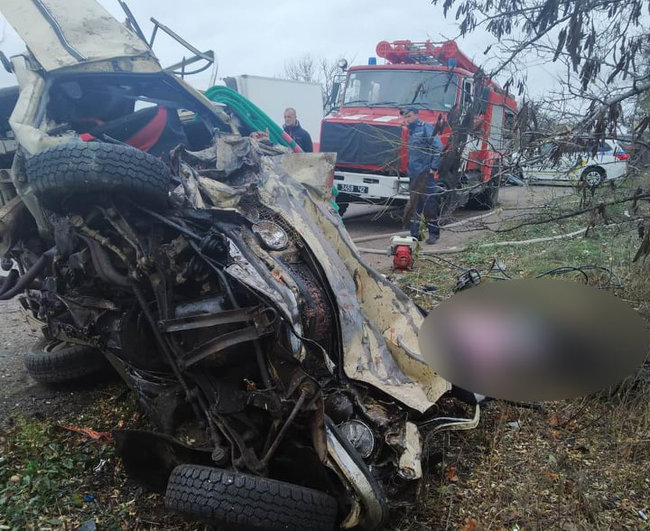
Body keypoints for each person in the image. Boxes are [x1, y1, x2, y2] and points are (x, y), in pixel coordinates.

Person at [402, 107, 444, 245]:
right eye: (405, 117)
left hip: (425, 174)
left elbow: (438, 147)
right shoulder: (411, 131)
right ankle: (414, 234)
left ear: (416, 115)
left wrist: (433, 167)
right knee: (414, 205)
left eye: (409, 116)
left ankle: (433, 234)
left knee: (429, 204)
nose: (407, 119)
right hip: (414, 174)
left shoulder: (426, 128)